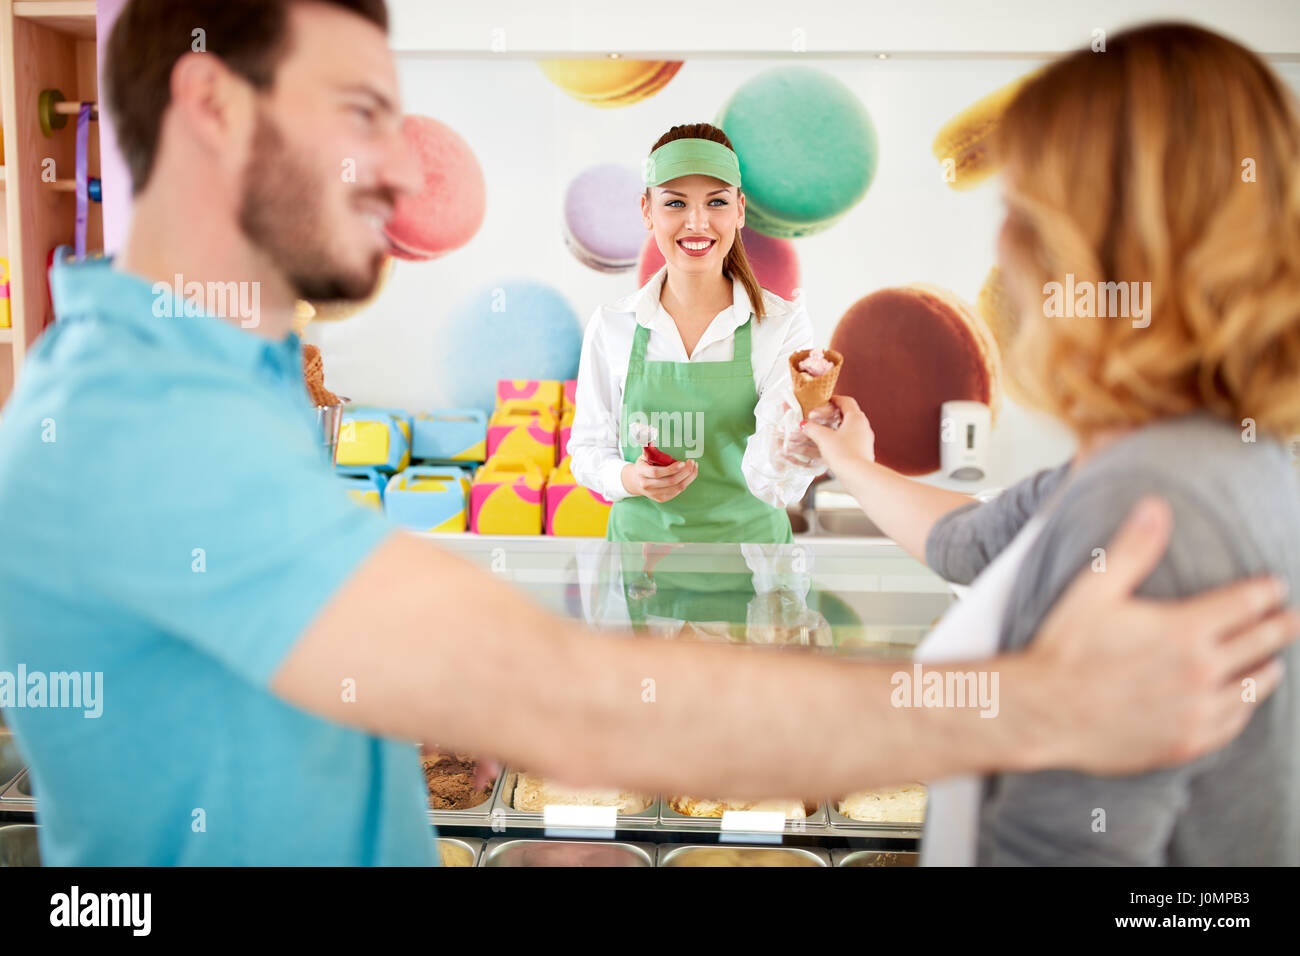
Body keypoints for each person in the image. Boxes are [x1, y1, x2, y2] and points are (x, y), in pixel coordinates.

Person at [0, 0, 1293, 866]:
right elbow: (559, 699)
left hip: (737, 564)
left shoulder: (244, 383)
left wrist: (823, 455)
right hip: (638, 569)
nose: (406, 172)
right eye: (362, 116)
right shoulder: (138, 423)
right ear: (212, 104)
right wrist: (1025, 707)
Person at [803, 22, 1300, 865]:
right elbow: (976, 541)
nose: (1001, 246)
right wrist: (852, 461)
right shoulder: (1185, 455)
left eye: (1023, 212)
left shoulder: (1149, 505)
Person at [568, 123, 834, 544]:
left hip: (754, 569)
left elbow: (778, 476)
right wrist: (630, 478)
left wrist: (802, 447)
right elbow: (585, 451)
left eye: (716, 202)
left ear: (740, 210)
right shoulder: (612, 325)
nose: (697, 222)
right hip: (641, 572)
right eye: (675, 203)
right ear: (646, 210)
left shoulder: (781, 325)